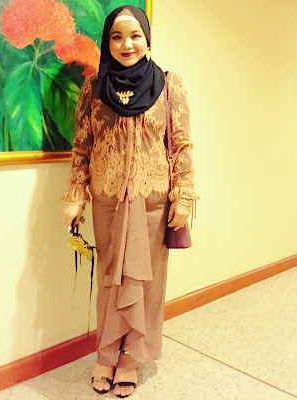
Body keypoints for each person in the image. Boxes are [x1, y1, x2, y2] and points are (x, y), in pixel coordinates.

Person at [62, 5, 198, 398]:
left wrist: (183, 196)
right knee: (111, 279)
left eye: (135, 35)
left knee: (144, 282)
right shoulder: (94, 87)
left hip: (153, 200)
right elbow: (82, 147)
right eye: (117, 36)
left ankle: (130, 358)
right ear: (108, 42)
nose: (127, 44)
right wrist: (76, 195)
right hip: (107, 198)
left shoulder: (169, 85)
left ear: (147, 39)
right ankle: (106, 354)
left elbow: (182, 146)